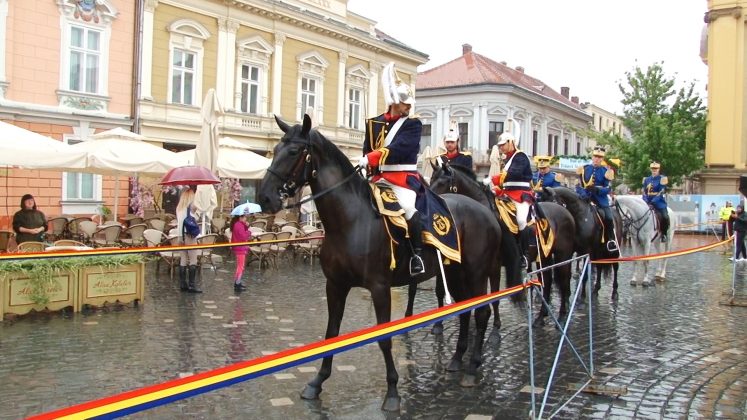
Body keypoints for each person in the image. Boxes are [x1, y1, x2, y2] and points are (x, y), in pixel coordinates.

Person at [358, 62, 425, 275]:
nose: (409, 107)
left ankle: (416, 255)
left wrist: (371, 158)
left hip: (401, 178)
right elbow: (367, 148)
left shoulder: (413, 124)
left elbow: (401, 148)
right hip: (378, 178)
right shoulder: (374, 123)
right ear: (395, 101)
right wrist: (365, 163)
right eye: (405, 104)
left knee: (408, 209)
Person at [484, 129, 533, 265]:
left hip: (521, 194)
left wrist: (492, 179)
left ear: (511, 142)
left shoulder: (520, 156)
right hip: (507, 193)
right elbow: (506, 181)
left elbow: (513, 174)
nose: (501, 148)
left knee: (521, 221)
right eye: (499, 146)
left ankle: (524, 254)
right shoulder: (507, 159)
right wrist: (497, 188)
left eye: (503, 145)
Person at [575, 146, 617, 251]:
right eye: (595, 156)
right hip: (585, 198)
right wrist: (583, 193)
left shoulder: (606, 171)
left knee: (609, 217)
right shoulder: (584, 169)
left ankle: (611, 240)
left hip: (600, 200)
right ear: (592, 157)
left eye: (599, 157)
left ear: (602, 159)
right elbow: (578, 185)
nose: (597, 159)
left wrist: (597, 190)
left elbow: (608, 188)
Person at [176, 186, 201, 293]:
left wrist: (180, 237)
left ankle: (183, 284)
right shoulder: (192, 207)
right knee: (193, 260)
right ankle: (191, 285)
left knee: (183, 259)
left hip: (180, 236)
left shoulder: (179, 208)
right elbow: (196, 219)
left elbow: (180, 223)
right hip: (190, 236)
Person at [642, 161, 670, 242]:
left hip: (659, 202)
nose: (654, 170)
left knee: (665, 217)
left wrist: (653, 201)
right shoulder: (646, 179)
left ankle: (664, 234)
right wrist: (645, 200)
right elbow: (644, 191)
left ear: (659, 169)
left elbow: (661, 191)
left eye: (656, 168)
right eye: (653, 168)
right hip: (647, 201)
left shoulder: (662, 179)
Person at [230, 213, 251, 291]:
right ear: (240, 217)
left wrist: (246, 226)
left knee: (240, 266)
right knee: (240, 266)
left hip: (240, 247)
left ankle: (238, 282)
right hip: (240, 248)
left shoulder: (238, 224)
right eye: (245, 217)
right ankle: (237, 284)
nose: (246, 219)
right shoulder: (238, 225)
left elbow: (241, 233)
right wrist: (249, 232)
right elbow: (243, 236)